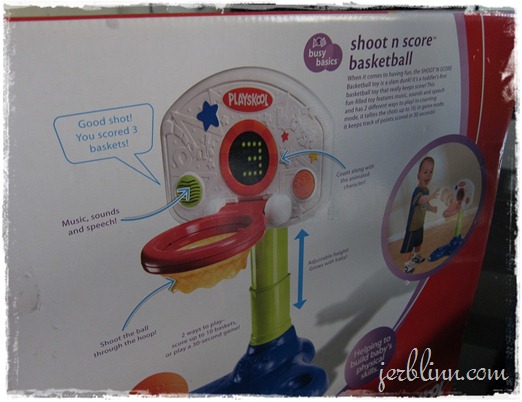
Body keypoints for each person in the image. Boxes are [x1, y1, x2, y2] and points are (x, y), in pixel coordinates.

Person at [400, 156, 439, 273]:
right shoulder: (417, 192)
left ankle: (416, 255)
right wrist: (430, 197)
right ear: (418, 176)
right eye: (425, 172)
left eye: (431, 172)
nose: (428, 175)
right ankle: (407, 264)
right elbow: (421, 200)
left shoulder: (426, 190)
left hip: (419, 224)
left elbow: (426, 204)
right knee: (409, 246)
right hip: (412, 227)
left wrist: (432, 208)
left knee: (418, 242)